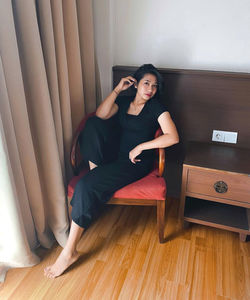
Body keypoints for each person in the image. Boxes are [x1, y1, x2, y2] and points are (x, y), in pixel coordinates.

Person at [44, 64, 179, 278]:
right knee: (93, 124)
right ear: (135, 84)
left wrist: (142, 146)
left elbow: (173, 136)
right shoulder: (124, 102)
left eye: (154, 86)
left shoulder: (156, 108)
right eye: (146, 83)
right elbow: (100, 114)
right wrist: (117, 89)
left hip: (134, 163)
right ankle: (97, 174)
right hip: (113, 156)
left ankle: (69, 252)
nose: (150, 89)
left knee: (85, 185)